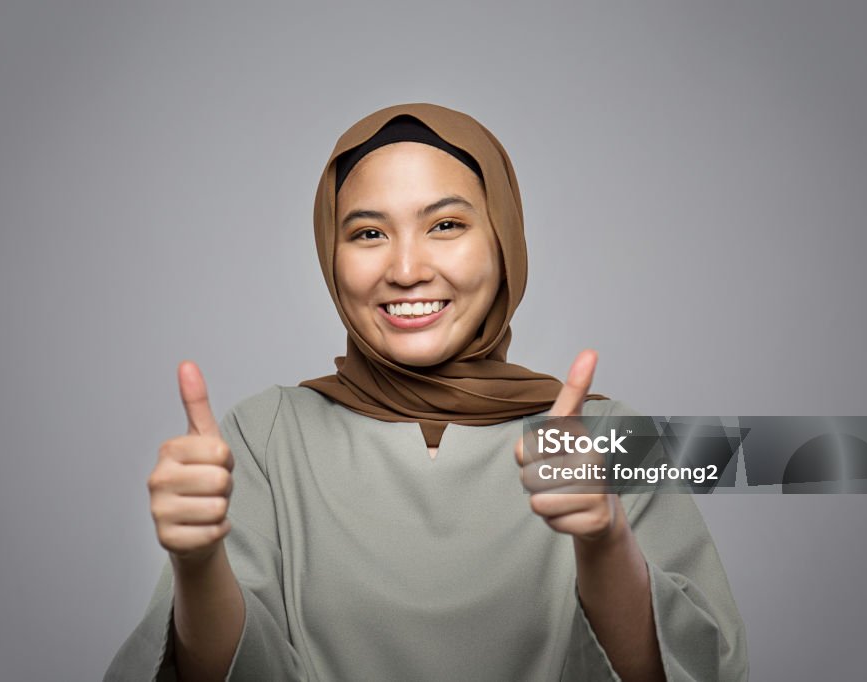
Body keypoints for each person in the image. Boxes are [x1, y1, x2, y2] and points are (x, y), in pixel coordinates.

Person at [104, 103, 748, 681]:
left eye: (444, 225)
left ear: (504, 241)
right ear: (331, 256)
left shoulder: (613, 439)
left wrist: (605, 543)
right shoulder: (264, 435)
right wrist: (197, 565)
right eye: (367, 233)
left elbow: (697, 672)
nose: (406, 270)